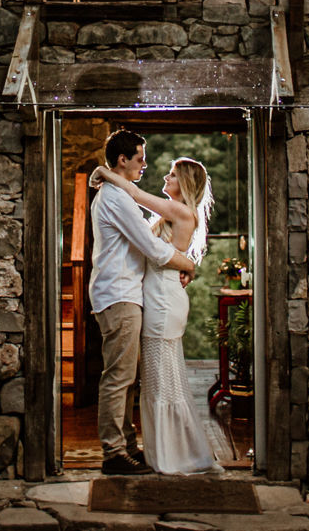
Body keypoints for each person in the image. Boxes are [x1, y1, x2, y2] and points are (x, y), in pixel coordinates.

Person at [94, 153, 225, 475]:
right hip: (156, 296)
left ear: (186, 184)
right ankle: (164, 451)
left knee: (162, 379)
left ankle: (175, 454)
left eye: (173, 174)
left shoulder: (180, 211)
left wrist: (102, 171)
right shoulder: (171, 214)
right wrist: (188, 265)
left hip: (164, 300)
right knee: (157, 378)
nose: (166, 178)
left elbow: (135, 194)